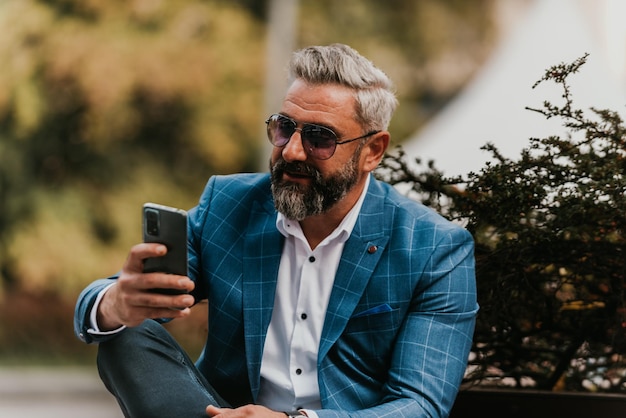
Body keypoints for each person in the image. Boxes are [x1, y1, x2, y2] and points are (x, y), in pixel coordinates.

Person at [74, 43, 478, 418]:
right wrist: (115, 303)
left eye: (320, 138)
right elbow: (117, 302)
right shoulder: (229, 203)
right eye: (285, 128)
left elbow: (421, 405)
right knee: (124, 335)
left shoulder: (434, 248)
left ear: (372, 150)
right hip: (218, 412)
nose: (291, 151)